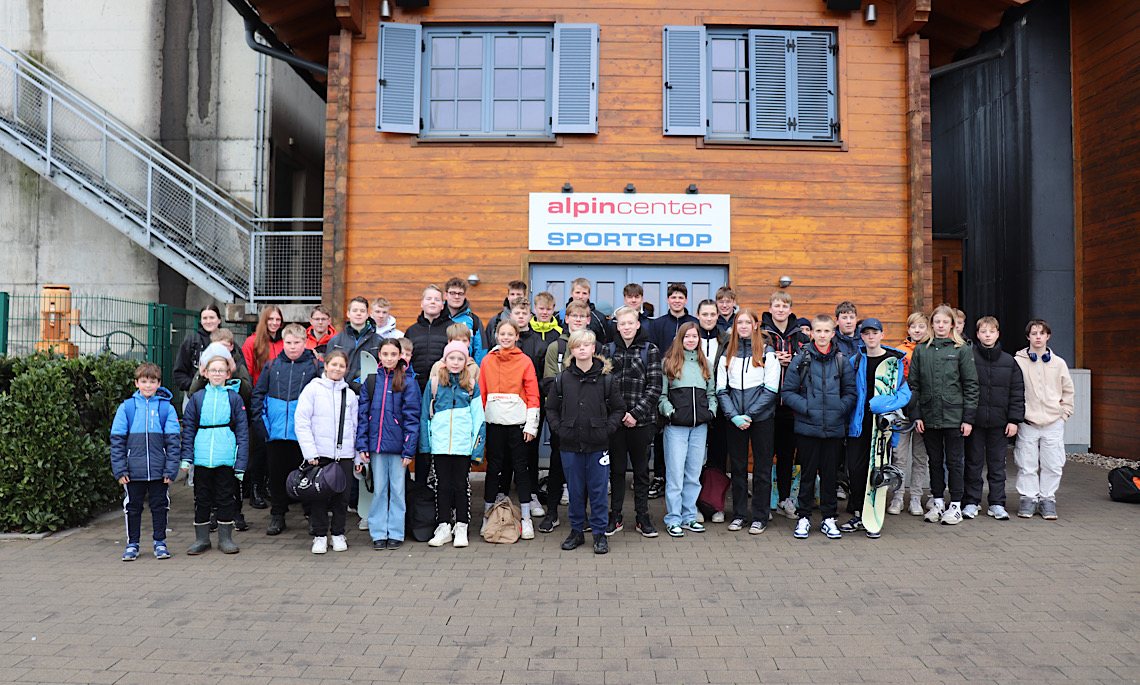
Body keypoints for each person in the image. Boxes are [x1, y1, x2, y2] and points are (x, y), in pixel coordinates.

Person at [546, 329, 625, 554]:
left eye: (586, 345)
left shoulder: (606, 379)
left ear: (593, 349)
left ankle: (600, 533)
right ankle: (577, 531)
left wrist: (607, 429)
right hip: (570, 445)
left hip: (598, 446)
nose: (582, 349)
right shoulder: (562, 379)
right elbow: (551, 408)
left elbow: (618, 408)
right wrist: (560, 429)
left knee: (598, 490)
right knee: (575, 490)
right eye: (577, 346)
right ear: (572, 349)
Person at [781, 315, 857, 540]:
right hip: (807, 428)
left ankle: (828, 518)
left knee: (830, 474)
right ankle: (803, 517)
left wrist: (838, 408)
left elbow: (851, 392)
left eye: (827, 331)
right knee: (807, 474)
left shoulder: (842, 360)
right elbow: (788, 392)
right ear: (811, 333)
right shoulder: (800, 358)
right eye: (818, 331)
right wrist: (808, 408)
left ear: (833, 333)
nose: (822, 335)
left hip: (833, 428)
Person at [839, 318, 911, 538]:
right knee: (857, 470)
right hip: (859, 425)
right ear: (862, 336)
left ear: (882, 334)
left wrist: (882, 405)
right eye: (866, 333)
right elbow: (848, 391)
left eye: (875, 333)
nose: (871, 337)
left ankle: (874, 514)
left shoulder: (894, 361)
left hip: (882, 426)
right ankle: (859, 514)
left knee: (877, 470)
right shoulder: (856, 361)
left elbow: (905, 393)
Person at [909, 304, 979, 525]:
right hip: (929, 416)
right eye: (937, 322)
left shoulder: (962, 349)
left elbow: (971, 386)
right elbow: (914, 386)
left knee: (955, 462)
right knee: (935, 461)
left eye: (945, 322)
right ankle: (938, 501)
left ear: (952, 325)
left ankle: (955, 505)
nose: (940, 326)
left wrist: (968, 419)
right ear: (932, 324)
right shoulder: (921, 350)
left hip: (954, 417)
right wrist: (917, 415)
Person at [251, 323, 322, 536]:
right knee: (277, 476)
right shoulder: (271, 366)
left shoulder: (315, 366)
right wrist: (262, 426)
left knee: (307, 476)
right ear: (283, 342)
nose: (292, 347)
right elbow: (258, 396)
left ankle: (310, 515)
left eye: (297, 343)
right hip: (276, 434)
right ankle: (278, 515)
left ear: (305, 343)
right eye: (288, 343)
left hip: (304, 435)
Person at [716, 309, 781, 535]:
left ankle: (760, 517)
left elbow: (771, 388)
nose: (743, 326)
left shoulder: (767, 351)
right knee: (739, 469)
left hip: (761, 419)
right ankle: (740, 515)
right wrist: (734, 416)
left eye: (747, 322)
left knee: (762, 469)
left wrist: (750, 415)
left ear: (755, 325)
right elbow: (721, 389)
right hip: (734, 420)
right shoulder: (727, 352)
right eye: (739, 322)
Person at [110, 362, 181, 561]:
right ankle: (132, 544)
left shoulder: (167, 408)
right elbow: (117, 442)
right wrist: (120, 469)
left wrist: (171, 469)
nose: (148, 386)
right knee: (133, 507)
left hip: (159, 471)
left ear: (159, 383)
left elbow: (174, 442)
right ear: (136, 383)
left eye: (152, 382)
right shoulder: (127, 408)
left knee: (160, 506)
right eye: (143, 381)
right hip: (133, 471)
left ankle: (160, 542)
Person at [357, 339, 421, 550]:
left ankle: (395, 532)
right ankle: (378, 533)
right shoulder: (371, 381)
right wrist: (363, 446)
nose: (389, 358)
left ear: (400, 355)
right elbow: (363, 415)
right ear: (380, 356)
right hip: (376, 447)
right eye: (385, 354)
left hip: (398, 449)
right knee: (379, 490)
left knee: (397, 490)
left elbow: (412, 418)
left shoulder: (408, 382)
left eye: (394, 354)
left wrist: (408, 449)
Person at [181, 355, 250, 555]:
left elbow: (243, 433)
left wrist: (241, 464)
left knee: (225, 498)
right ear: (206, 373)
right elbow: (189, 429)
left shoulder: (234, 398)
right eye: (213, 370)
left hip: (225, 458)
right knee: (201, 498)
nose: (217, 374)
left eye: (221, 371)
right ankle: (201, 539)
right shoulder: (198, 398)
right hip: (202, 458)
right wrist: (187, 457)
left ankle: (225, 538)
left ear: (228, 374)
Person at [480, 319, 541, 539]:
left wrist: (531, 425)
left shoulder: (525, 361)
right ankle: (488, 517)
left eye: (510, 334)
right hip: (494, 424)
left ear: (517, 337)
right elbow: (482, 394)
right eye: (502, 334)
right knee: (493, 469)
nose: (505, 337)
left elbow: (533, 394)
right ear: (497, 336)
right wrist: (481, 425)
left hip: (518, 425)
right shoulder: (487, 361)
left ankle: (526, 518)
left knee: (521, 469)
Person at [294, 349, 359, 554]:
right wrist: (310, 453)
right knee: (319, 496)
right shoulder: (312, 390)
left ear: (346, 369)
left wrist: (356, 454)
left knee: (342, 496)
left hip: (345, 454)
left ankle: (338, 533)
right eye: (334, 365)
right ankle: (320, 535)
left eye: (341, 366)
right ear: (326, 365)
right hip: (319, 455)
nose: (337, 369)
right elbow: (302, 422)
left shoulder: (349, 395)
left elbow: (355, 426)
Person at [607, 305, 663, 538]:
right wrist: (619, 414)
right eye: (622, 324)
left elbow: (655, 386)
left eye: (631, 323)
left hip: (642, 423)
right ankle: (615, 515)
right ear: (617, 327)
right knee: (616, 471)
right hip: (616, 423)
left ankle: (642, 517)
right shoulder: (607, 350)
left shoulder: (650, 350)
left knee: (641, 472)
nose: (627, 327)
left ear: (638, 324)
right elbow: (604, 387)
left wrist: (636, 414)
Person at [423, 341, 486, 549]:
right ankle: (443, 526)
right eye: (452, 358)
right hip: (440, 446)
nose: (456, 362)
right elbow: (425, 417)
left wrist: (476, 450)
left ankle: (461, 526)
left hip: (462, 447)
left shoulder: (472, 385)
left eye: (460, 358)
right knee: (441, 486)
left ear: (466, 362)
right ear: (445, 360)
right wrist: (426, 445)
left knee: (461, 486)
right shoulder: (433, 384)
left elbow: (479, 419)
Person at [537, 299, 593, 534]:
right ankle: (552, 513)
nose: (578, 320)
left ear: (588, 321)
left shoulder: (595, 347)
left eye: (582, 316)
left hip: (589, 420)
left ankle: (583, 516)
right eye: (573, 316)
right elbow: (550, 383)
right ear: (566, 319)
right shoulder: (556, 348)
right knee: (557, 466)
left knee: (586, 469)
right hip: (563, 418)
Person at [659, 322, 718, 537]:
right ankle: (673, 518)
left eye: (695, 336)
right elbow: (662, 396)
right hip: (676, 429)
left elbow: (712, 394)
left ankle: (689, 516)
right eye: (687, 337)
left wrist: (710, 412)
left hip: (699, 428)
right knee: (675, 475)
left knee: (693, 475)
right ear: (680, 339)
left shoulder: (706, 364)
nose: (691, 340)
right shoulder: (669, 363)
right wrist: (671, 413)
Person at [188, 339, 254, 531]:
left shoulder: (236, 379)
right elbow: (193, 395)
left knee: (229, 485)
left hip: (227, 442)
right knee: (204, 490)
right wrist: (200, 375)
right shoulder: (202, 388)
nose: (217, 374)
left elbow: (246, 392)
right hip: (205, 448)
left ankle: (234, 515)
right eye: (213, 371)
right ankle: (209, 521)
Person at [964, 316, 1024, 521]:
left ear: (997, 334)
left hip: (1000, 424)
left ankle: (997, 504)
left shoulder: (1010, 362)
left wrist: (1014, 420)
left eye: (991, 331)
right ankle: (971, 502)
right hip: (975, 423)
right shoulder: (969, 358)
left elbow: (1017, 392)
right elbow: (963, 390)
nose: (987, 335)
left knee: (998, 465)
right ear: (977, 334)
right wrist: (966, 419)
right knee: (973, 464)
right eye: (983, 331)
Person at [1013, 319, 1074, 520]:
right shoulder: (1018, 361)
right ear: (1028, 337)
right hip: (1028, 421)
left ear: (1048, 336)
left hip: (1053, 422)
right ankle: (1028, 498)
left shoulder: (1059, 363)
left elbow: (1068, 391)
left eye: (1042, 333)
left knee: (1053, 463)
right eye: (1034, 333)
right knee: (1026, 462)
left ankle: (1048, 499)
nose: (1038, 337)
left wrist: (1063, 413)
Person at [760, 291, 810, 519]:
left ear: (790, 310)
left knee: (787, 455)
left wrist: (794, 362)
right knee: (764, 454)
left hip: (791, 406)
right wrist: (772, 360)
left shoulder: (801, 337)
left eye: (784, 306)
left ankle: (784, 499)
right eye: (776, 306)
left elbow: (810, 368)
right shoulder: (761, 334)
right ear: (770, 309)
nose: (780, 310)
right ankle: (763, 503)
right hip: (766, 404)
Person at [646, 283, 699, 498]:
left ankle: (687, 478)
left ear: (686, 300)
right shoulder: (657, 324)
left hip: (689, 386)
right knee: (662, 432)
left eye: (680, 297)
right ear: (667, 300)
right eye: (673, 297)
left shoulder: (693, 324)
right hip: (665, 383)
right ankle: (660, 476)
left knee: (689, 436)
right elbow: (653, 352)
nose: (677, 301)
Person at [498, 299, 547, 516]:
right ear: (511, 314)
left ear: (530, 315)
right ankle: (503, 491)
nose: (520, 316)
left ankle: (532, 493)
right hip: (507, 407)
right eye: (516, 312)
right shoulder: (502, 344)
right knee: (506, 452)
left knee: (530, 451)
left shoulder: (538, 343)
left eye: (524, 313)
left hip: (531, 406)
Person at [889, 312, 932, 516]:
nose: (917, 330)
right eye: (913, 327)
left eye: (922, 327)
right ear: (908, 329)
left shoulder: (931, 351)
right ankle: (897, 497)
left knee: (920, 457)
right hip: (902, 412)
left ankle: (916, 497)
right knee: (899, 456)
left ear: (928, 329)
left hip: (924, 413)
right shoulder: (898, 352)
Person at [696, 299, 730, 504]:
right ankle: (695, 502)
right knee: (696, 456)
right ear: (698, 315)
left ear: (718, 316)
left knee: (718, 453)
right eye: (705, 314)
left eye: (712, 314)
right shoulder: (689, 337)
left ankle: (714, 502)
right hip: (695, 404)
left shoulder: (726, 339)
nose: (709, 318)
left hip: (720, 403)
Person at [326, 296, 382, 390]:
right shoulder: (335, 341)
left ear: (367, 314)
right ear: (348, 313)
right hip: (340, 391)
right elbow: (327, 369)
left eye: (362, 311)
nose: (358, 314)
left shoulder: (379, 341)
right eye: (355, 310)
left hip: (369, 393)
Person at [406, 285, 452, 393]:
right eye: (429, 299)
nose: (433, 302)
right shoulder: (411, 331)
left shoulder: (452, 329)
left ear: (442, 305)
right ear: (421, 304)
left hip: (444, 386)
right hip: (415, 389)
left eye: (437, 300)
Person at [173, 305, 222, 393]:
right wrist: (193, 386)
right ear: (201, 321)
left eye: (212, 318)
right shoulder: (191, 342)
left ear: (219, 320)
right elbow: (179, 371)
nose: (208, 321)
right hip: (194, 394)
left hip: (221, 393)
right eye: (205, 318)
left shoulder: (227, 342)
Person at [444, 277, 486, 362]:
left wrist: (476, 371)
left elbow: (481, 350)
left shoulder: (474, 320)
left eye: (460, 294)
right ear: (446, 295)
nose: (456, 297)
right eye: (453, 293)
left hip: (466, 371)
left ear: (465, 296)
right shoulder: (437, 317)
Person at [242, 305, 285, 387]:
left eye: (278, 320)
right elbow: (247, 371)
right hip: (260, 391)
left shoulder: (285, 342)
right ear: (264, 320)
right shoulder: (251, 341)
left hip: (281, 391)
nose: (274, 323)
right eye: (271, 319)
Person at [564, 277, 610, 344]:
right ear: (571, 293)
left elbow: (604, 343)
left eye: (584, 293)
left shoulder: (599, 318)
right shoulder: (560, 315)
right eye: (577, 292)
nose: (580, 296)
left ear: (589, 295)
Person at [485, 280, 529, 344]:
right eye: (512, 294)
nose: (515, 298)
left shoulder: (532, 319)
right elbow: (488, 344)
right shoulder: (496, 320)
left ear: (525, 297)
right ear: (508, 296)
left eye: (518, 294)